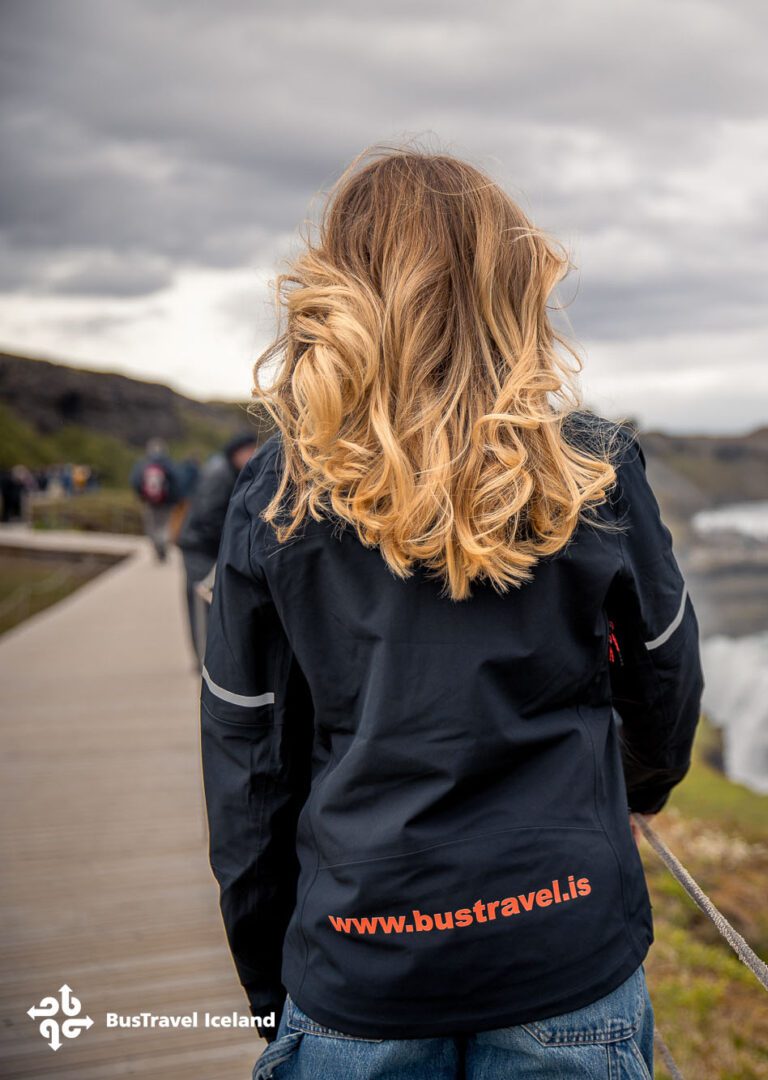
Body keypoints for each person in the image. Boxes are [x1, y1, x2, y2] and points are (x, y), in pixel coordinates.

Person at [201, 147, 702, 1080]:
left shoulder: (279, 494)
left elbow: (249, 758)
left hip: (360, 960)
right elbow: (664, 685)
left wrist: (272, 979)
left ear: (342, 285)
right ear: (510, 278)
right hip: (566, 941)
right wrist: (629, 797)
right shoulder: (591, 467)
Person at [176, 431, 259, 670]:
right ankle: (204, 659)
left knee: (207, 604)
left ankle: (209, 658)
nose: (254, 455)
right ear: (238, 451)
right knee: (201, 604)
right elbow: (208, 518)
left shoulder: (225, 470)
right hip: (199, 548)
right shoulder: (220, 474)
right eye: (250, 450)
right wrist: (234, 543)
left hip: (204, 546)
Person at [129, 438, 178, 560]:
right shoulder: (169, 464)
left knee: (151, 526)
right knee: (164, 524)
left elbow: (135, 481)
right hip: (166, 502)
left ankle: (157, 545)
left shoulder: (143, 463)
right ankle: (162, 544)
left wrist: (141, 496)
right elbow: (177, 482)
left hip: (149, 501)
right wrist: (173, 499)